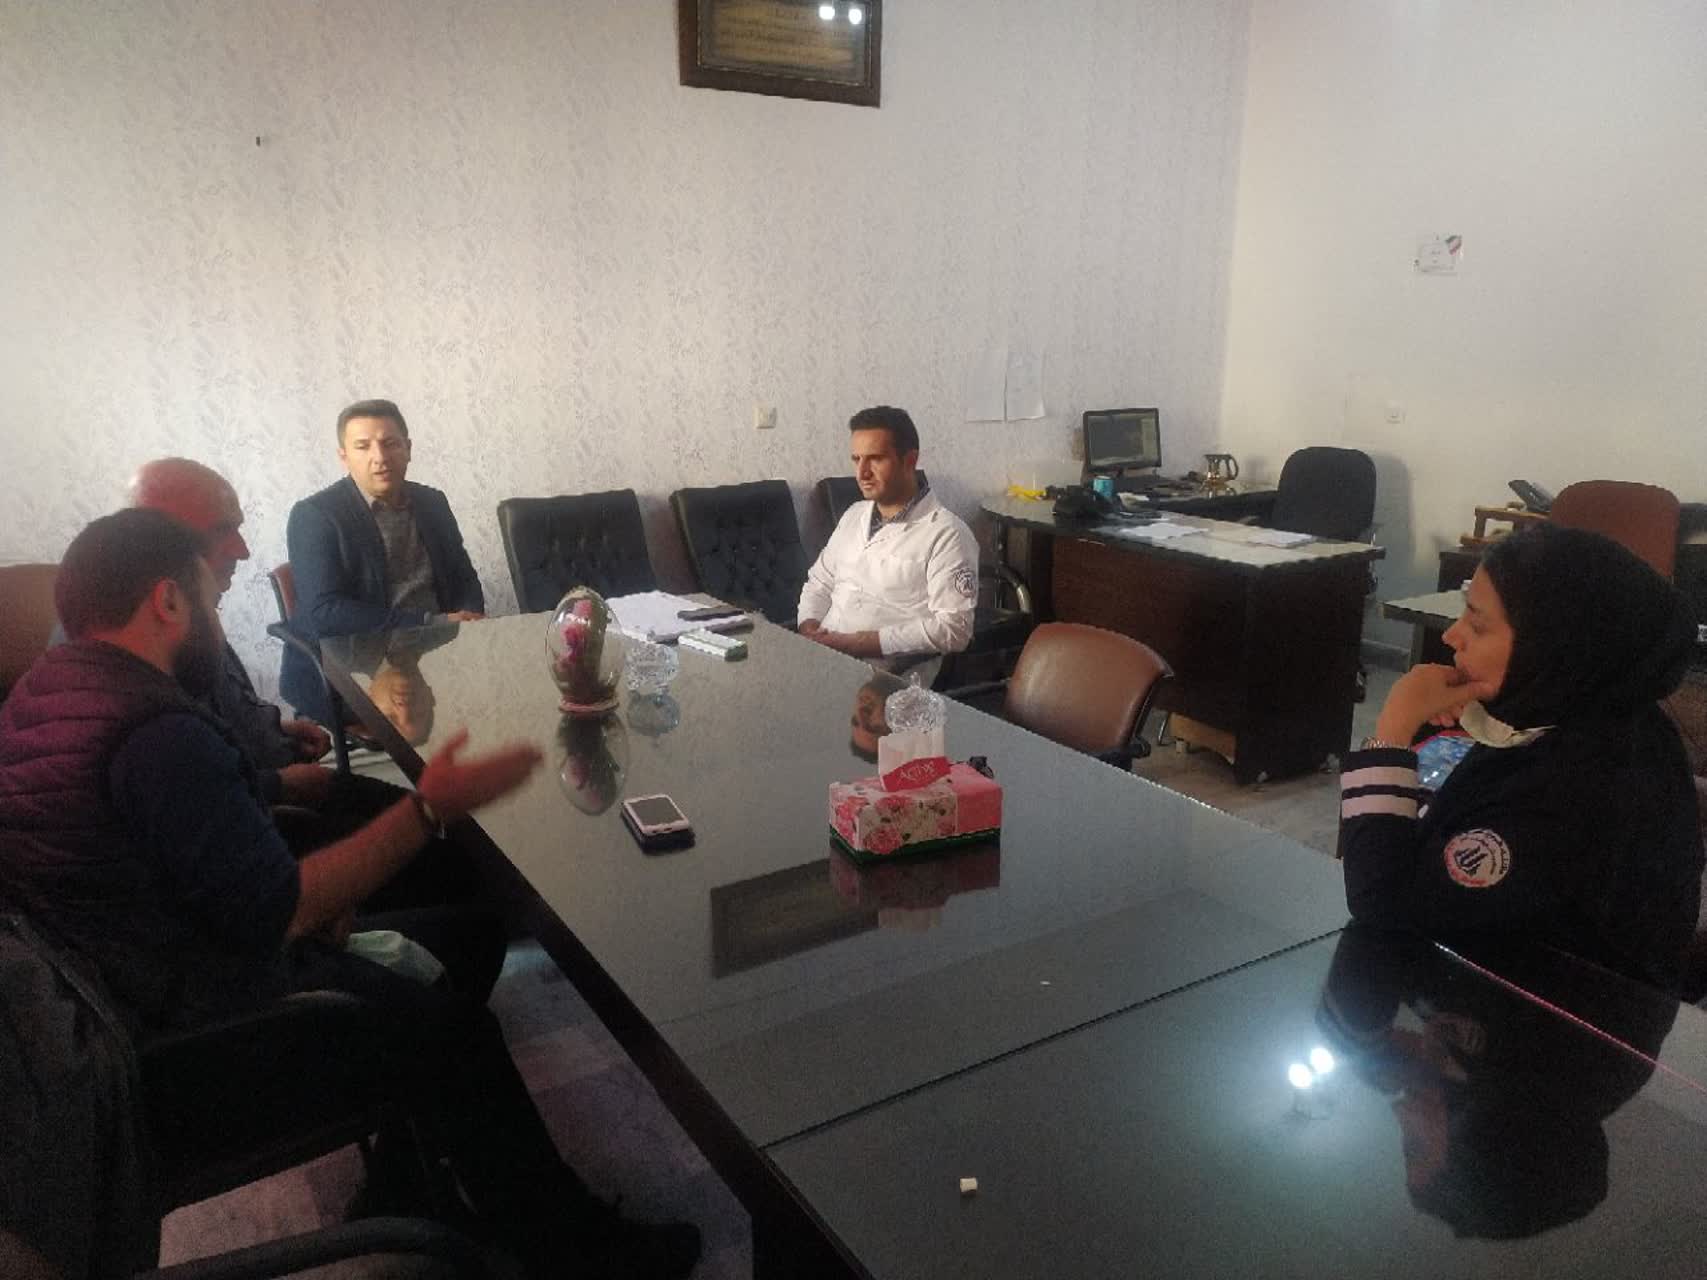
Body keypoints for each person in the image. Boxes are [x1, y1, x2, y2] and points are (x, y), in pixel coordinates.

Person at [0, 510, 700, 1277]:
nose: (217, 622)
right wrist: (427, 808)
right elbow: (282, 910)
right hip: (181, 1050)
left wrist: (278, 808)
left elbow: (179, 835)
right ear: (167, 601)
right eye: (209, 599)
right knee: (457, 1036)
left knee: (469, 937)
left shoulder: (48, 688)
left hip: (123, 988)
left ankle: (412, 1173)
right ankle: (574, 1252)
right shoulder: (155, 733)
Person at [130, 458, 486, 941]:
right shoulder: (144, 667)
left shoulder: (170, 612)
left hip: (278, 781)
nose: (243, 549)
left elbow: (214, 716)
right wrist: (278, 784)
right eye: (223, 531)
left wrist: (273, 728)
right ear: (158, 536)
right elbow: (190, 800)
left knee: (449, 833)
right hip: (272, 817)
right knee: (455, 872)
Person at [1338, 523, 1703, 992]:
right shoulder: (1601, 714)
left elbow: (1381, 900)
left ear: (1553, 646)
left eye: (1477, 624)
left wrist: (1392, 731)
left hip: (1553, 1020)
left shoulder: (1577, 786)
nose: (1452, 636)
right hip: (1496, 975)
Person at [282, 399, 485, 723]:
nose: (379, 457)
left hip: (436, 650)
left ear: (408, 448)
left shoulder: (432, 501)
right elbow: (324, 611)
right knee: (417, 722)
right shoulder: (315, 516)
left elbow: (463, 575)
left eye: (390, 443)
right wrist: (428, 621)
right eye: (363, 446)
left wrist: (472, 620)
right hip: (359, 661)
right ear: (344, 456)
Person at [798, 406, 979, 676]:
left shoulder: (947, 534)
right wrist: (809, 627)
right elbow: (819, 582)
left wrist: (857, 643)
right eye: (856, 459)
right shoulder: (853, 515)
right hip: (824, 658)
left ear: (910, 460)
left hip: (888, 673)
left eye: (875, 459)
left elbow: (955, 629)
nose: (862, 473)